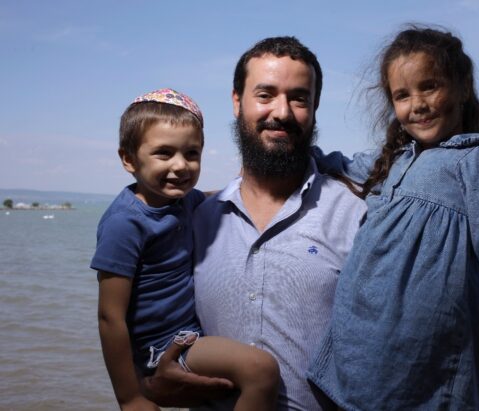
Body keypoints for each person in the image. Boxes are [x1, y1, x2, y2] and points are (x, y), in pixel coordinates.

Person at [307, 25, 479, 410]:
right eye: (402, 95)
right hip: (364, 348)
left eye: (429, 86)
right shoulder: (396, 160)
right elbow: (343, 165)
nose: (416, 104)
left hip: (428, 363)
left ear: (463, 87)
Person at [143, 37, 367, 411]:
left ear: (314, 107)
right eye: (265, 95)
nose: (281, 112)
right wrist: (151, 383)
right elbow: (148, 322)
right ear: (236, 102)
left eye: (298, 98)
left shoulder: (354, 216)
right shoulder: (194, 220)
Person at [91, 88, 280, 411]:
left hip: (189, 335)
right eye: (164, 153)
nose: (180, 166)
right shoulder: (126, 223)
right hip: (161, 348)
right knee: (260, 369)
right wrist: (130, 397)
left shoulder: (181, 201)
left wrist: (256, 189)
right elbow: (110, 317)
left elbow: (210, 196)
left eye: (191, 154)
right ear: (128, 159)